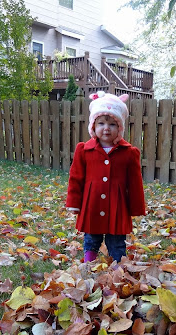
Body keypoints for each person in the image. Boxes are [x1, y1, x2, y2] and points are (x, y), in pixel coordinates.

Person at [65, 91, 146, 263]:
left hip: (118, 205)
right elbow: (76, 178)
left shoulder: (129, 152)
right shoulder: (84, 150)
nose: (106, 128)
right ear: (93, 126)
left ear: (120, 128)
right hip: (92, 203)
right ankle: (89, 264)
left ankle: (118, 267)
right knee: (91, 238)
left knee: (116, 240)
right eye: (101, 123)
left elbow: (135, 182)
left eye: (112, 124)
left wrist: (136, 207)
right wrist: (74, 204)